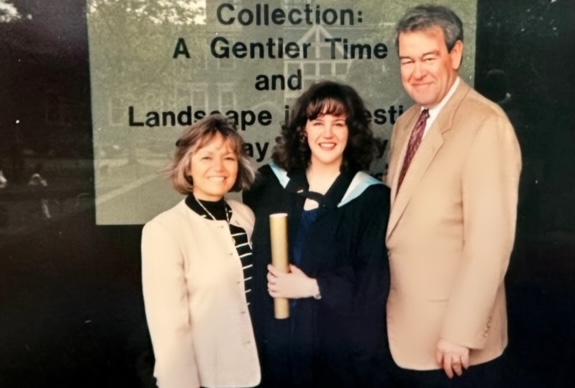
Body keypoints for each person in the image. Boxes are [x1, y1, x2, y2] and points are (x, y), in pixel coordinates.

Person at [385, 4, 522, 387]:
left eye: (428, 57)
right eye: (407, 60)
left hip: (454, 347)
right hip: (408, 333)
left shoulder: (485, 124)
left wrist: (460, 333)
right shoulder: (406, 123)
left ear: (456, 54)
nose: (417, 71)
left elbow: (489, 243)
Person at [243, 80, 391, 388]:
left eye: (339, 123)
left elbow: (371, 283)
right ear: (302, 130)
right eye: (318, 122)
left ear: (352, 133)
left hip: (333, 353)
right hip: (275, 346)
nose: (328, 134)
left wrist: (313, 286)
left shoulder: (370, 199)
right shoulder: (268, 185)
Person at [141, 114, 260, 388]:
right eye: (207, 157)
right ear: (188, 166)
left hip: (258, 371)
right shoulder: (164, 231)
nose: (219, 167)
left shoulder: (245, 216)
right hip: (209, 379)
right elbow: (170, 333)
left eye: (229, 157)